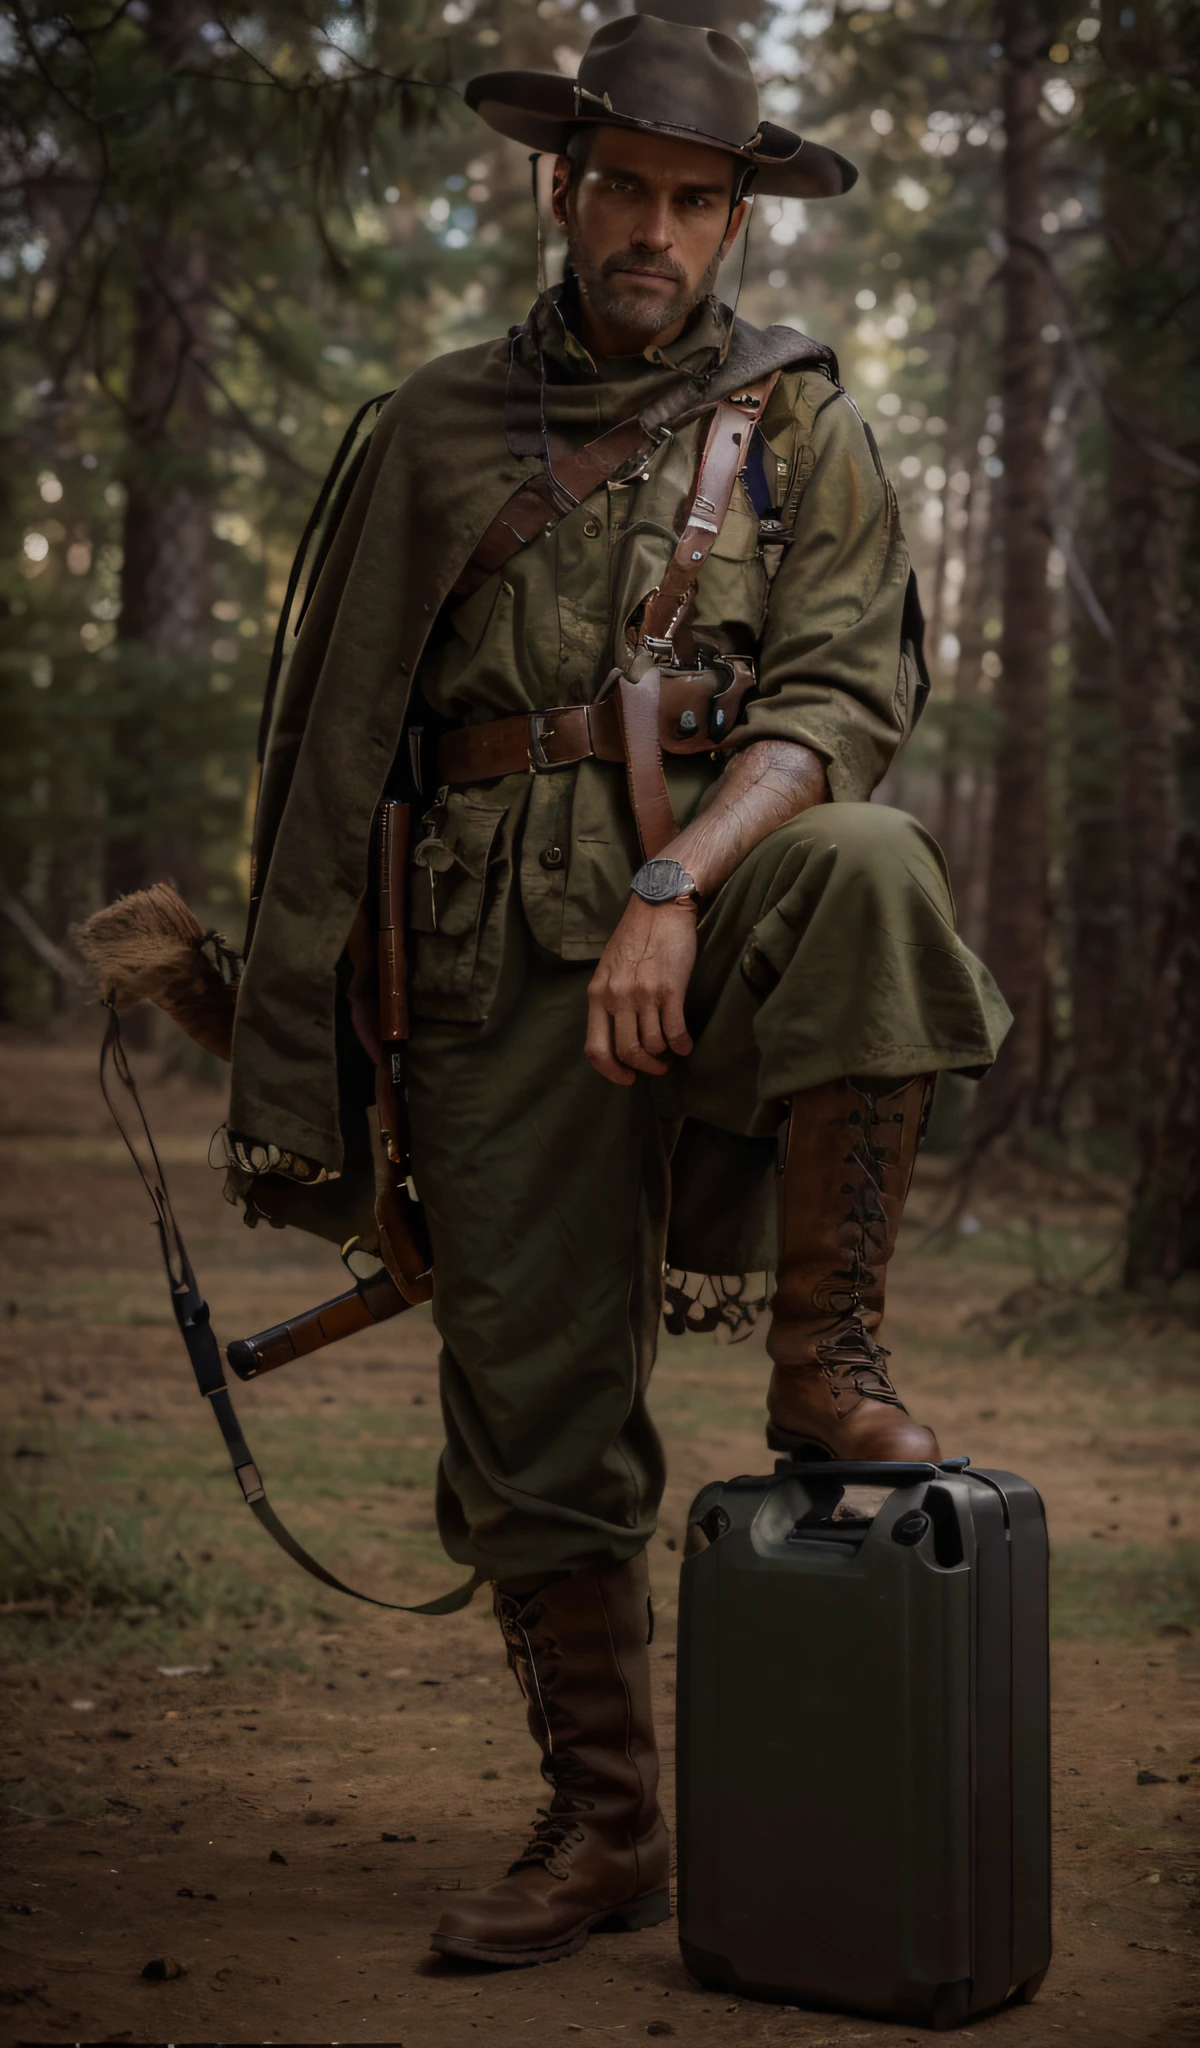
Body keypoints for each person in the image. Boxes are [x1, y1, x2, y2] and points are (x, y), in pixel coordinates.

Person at [226, 13, 1011, 1971]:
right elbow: (332, 753)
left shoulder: (802, 425)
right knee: (532, 1393)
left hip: (715, 907)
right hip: (488, 947)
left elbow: (841, 703)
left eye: (696, 196)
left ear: (738, 220)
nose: (655, 226)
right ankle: (609, 1820)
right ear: (561, 186)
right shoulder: (430, 429)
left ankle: (827, 1365)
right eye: (625, 188)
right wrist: (317, 1074)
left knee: (875, 860)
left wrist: (674, 875)